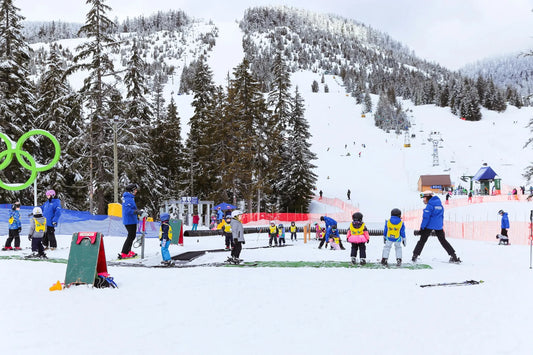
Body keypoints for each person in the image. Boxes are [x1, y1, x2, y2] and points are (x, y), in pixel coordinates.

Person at [412, 190, 461, 263]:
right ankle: (454, 256)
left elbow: (426, 218)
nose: (423, 200)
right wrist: (440, 225)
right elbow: (441, 216)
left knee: (422, 241)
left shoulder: (429, 206)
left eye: (424, 198)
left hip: (429, 226)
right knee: (443, 241)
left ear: (428, 197)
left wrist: (422, 228)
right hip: (439, 226)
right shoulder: (439, 205)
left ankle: (414, 256)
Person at [119, 183, 141, 259]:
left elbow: (131, 208)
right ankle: (124, 252)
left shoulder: (130, 198)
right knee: (131, 236)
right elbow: (128, 210)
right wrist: (136, 212)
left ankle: (128, 251)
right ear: (131, 191)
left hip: (131, 220)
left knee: (132, 236)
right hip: (129, 220)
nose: (136, 191)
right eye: (135, 190)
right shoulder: (128, 198)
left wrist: (137, 212)